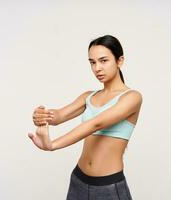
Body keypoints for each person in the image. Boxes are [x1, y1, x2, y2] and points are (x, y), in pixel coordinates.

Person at [28, 34, 143, 200]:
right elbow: (59, 116)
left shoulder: (132, 97)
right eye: (92, 62)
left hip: (109, 187)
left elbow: (95, 124)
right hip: (78, 180)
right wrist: (41, 116)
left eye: (103, 61)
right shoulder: (88, 96)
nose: (97, 68)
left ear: (120, 61)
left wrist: (52, 145)